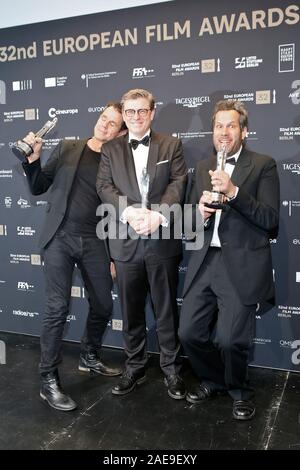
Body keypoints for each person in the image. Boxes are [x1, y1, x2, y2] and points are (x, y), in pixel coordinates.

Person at [21, 103, 126, 411]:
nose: (104, 125)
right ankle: (48, 379)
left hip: (95, 241)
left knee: (104, 305)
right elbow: (39, 186)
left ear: (120, 132)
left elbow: (116, 214)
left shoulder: (118, 162)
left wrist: (113, 255)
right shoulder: (68, 147)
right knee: (57, 307)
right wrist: (33, 160)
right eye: (103, 118)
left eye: (112, 124)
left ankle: (89, 355)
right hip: (61, 238)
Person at [179, 100, 280, 420]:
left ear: (244, 131)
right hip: (205, 261)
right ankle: (214, 380)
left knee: (230, 338)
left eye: (231, 125)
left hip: (242, 263)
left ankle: (239, 389)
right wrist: (201, 213)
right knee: (189, 333)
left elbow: (270, 219)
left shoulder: (263, 164)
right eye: (219, 126)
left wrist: (235, 192)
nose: (224, 132)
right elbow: (193, 223)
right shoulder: (202, 165)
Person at [97, 89, 188, 400]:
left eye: (142, 111)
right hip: (124, 241)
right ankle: (134, 366)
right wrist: (130, 211)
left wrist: (158, 216)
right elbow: (104, 186)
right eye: (130, 111)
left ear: (152, 112)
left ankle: (172, 370)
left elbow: (178, 182)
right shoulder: (110, 149)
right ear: (124, 113)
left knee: (166, 312)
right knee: (131, 311)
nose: (136, 116)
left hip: (161, 240)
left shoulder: (171, 144)